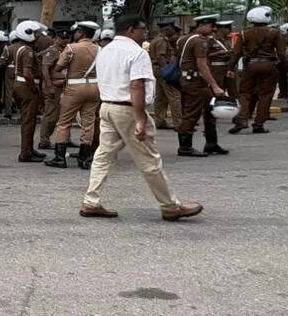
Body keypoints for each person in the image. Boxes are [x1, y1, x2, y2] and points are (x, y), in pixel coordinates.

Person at [79, 15, 203, 221]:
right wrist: (139, 119)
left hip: (108, 106)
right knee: (149, 159)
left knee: (103, 156)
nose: (144, 33)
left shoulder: (105, 50)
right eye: (142, 29)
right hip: (127, 109)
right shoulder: (136, 53)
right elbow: (137, 85)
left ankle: (90, 201)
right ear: (130, 29)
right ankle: (170, 206)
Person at [175, 14, 230, 157]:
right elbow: (202, 65)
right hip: (195, 82)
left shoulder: (184, 39)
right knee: (191, 114)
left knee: (210, 110)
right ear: (202, 26)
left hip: (194, 81)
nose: (213, 29)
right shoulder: (199, 41)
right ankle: (185, 147)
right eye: (211, 26)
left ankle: (211, 143)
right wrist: (215, 86)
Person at [46, 21, 99, 169]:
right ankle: (84, 158)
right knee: (88, 123)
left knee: (64, 122)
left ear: (81, 33)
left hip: (74, 88)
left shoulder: (71, 48)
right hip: (94, 87)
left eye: (77, 31)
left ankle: (59, 158)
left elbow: (58, 68)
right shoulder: (99, 49)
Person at [231, 6, 288, 134]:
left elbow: (236, 53)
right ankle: (258, 124)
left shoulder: (243, 33)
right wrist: (287, 69)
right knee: (265, 95)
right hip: (269, 66)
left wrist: (230, 68)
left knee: (244, 93)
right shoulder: (275, 32)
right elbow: (281, 53)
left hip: (250, 66)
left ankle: (242, 119)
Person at [10, 20, 45, 162]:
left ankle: (29, 149)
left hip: (21, 85)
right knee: (28, 121)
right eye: (35, 33)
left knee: (28, 120)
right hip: (27, 87)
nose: (37, 36)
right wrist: (35, 89)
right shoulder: (28, 52)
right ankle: (25, 153)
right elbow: (27, 73)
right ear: (28, 33)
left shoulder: (21, 48)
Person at [148, 22, 181, 130]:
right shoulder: (162, 41)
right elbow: (160, 57)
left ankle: (160, 121)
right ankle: (179, 123)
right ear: (167, 29)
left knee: (161, 96)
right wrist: (167, 71)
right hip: (162, 70)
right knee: (174, 95)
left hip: (157, 69)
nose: (173, 31)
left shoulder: (156, 40)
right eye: (172, 29)